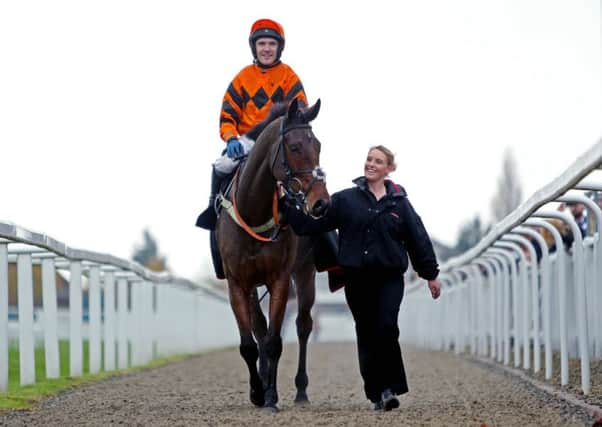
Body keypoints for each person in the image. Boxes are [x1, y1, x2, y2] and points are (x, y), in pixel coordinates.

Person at [278, 145, 442, 411]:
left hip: (390, 277)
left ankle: (390, 387)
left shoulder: (400, 203)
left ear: (388, 169)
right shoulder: (345, 200)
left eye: (378, 161)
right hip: (358, 278)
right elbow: (312, 225)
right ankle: (377, 393)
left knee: (387, 327)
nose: (371, 164)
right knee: (366, 332)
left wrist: (431, 274)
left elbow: (418, 239)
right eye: (369, 159)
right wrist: (287, 203)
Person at [195, 18, 308, 230]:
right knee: (222, 166)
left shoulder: (289, 76)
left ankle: (322, 234)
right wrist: (230, 138)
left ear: (279, 47)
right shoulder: (243, 78)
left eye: (272, 44)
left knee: (307, 178)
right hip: (248, 141)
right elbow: (227, 116)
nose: (267, 49)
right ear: (254, 47)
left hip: (279, 142)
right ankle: (213, 208)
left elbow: (299, 112)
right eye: (262, 44)